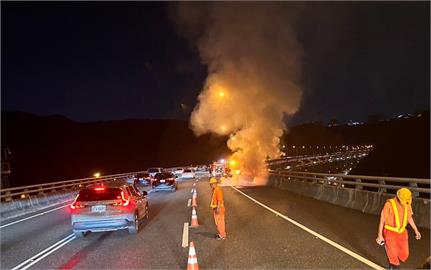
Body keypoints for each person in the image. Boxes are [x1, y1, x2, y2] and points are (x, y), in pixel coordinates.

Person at [376, 187, 421, 269]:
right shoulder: (389, 204)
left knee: (404, 254)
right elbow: (382, 219)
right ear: (398, 197)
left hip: (402, 232)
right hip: (390, 231)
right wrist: (380, 235)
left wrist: (416, 230)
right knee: (393, 255)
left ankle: (392, 261)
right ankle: (393, 265)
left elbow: (409, 217)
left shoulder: (407, 203)